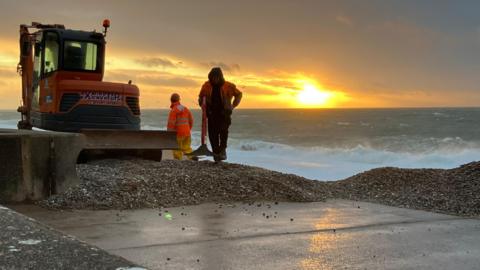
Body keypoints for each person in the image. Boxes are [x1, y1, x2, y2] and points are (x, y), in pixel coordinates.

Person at [198, 67, 242, 161]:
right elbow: (201, 97)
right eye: (213, 77)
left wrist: (233, 105)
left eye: (217, 77)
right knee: (212, 135)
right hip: (211, 114)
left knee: (223, 132)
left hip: (224, 114)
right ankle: (216, 155)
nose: (215, 79)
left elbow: (239, 94)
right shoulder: (206, 85)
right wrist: (202, 106)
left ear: (220, 77)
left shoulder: (229, 86)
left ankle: (222, 151)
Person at [167, 93, 194, 160]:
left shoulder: (173, 110)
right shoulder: (185, 109)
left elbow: (171, 124)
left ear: (171, 101)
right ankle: (192, 158)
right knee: (187, 148)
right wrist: (188, 129)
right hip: (187, 132)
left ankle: (178, 161)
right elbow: (191, 120)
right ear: (179, 100)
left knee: (177, 149)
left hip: (178, 134)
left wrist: (169, 134)